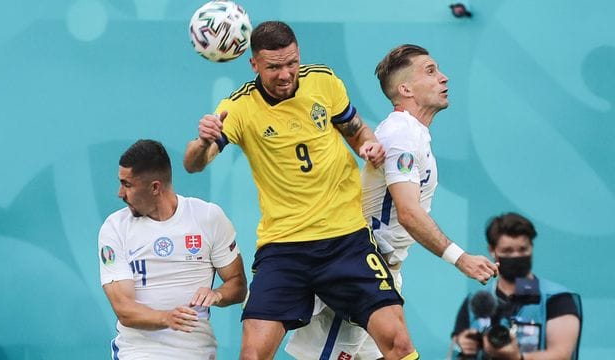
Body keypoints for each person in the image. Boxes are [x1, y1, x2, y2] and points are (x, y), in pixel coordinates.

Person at [184, 21, 428, 360]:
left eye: (291, 63)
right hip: (284, 247)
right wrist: (203, 140)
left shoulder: (323, 81)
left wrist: (368, 145)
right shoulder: (238, 107)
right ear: (254, 64)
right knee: (252, 353)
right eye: (274, 67)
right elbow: (194, 163)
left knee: (399, 344)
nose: (286, 74)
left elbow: (356, 131)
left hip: (346, 240)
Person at [286, 44, 500, 360]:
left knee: (399, 352)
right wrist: (460, 258)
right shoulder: (401, 135)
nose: (443, 77)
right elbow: (409, 212)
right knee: (399, 350)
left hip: (382, 274)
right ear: (405, 89)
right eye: (430, 71)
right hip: (356, 273)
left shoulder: (413, 133)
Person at [98, 139, 247, 360]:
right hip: (139, 352)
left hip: (196, 350)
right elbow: (124, 309)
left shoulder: (208, 217)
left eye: (127, 185)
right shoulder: (115, 227)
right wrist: (167, 318)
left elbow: (238, 284)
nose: (120, 193)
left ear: (155, 187)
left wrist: (217, 294)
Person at [450, 212, 582, 360]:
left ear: (531, 247)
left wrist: (518, 358)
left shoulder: (556, 299)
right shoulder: (476, 302)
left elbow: (561, 355)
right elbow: (452, 354)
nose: (516, 256)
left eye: (522, 249)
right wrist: (462, 347)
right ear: (492, 250)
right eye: (508, 251)